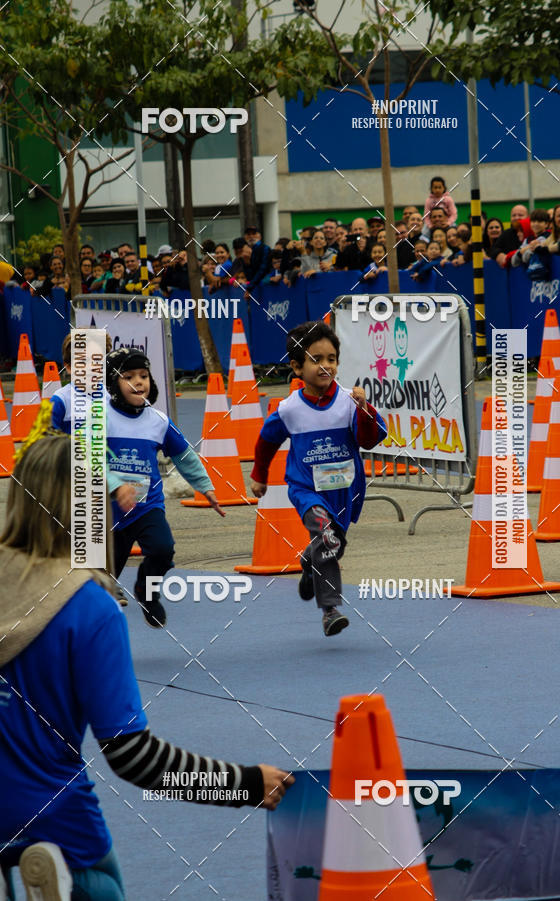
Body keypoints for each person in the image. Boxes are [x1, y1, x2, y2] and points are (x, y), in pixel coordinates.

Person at [0, 417, 293, 901]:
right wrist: (243, 784)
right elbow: (134, 757)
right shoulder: (88, 607)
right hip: (48, 810)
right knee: (102, 885)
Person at [250, 321, 386, 636]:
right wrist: (259, 476)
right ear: (297, 367)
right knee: (326, 537)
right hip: (307, 490)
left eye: (331, 359)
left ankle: (310, 563)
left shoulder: (349, 402)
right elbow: (266, 441)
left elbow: (370, 439)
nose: (326, 366)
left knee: (332, 545)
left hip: (345, 491)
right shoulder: (290, 409)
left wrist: (364, 409)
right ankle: (330, 610)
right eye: (316, 359)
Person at [105, 348, 224, 628]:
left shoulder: (157, 420)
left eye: (144, 376)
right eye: (128, 377)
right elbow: (87, 458)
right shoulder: (99, 418)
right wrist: (116, 486)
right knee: (103, 578)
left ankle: (146, 591)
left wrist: (205, 487)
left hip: (147, 507)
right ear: (113, 383)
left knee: (162, 550)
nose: (138, 382)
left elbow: (184, 455)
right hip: (108, 513)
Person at [243, 226, 271, 298]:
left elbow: (263, 270)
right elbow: (248, 275)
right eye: (248, 234)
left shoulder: (265, 248)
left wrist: (250, 287)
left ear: (260, 236)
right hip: (255, 289)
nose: (251, 236)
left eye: (254, 233)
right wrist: (247, 262)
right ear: (245, 237)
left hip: (266, 287)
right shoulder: (246, 251)